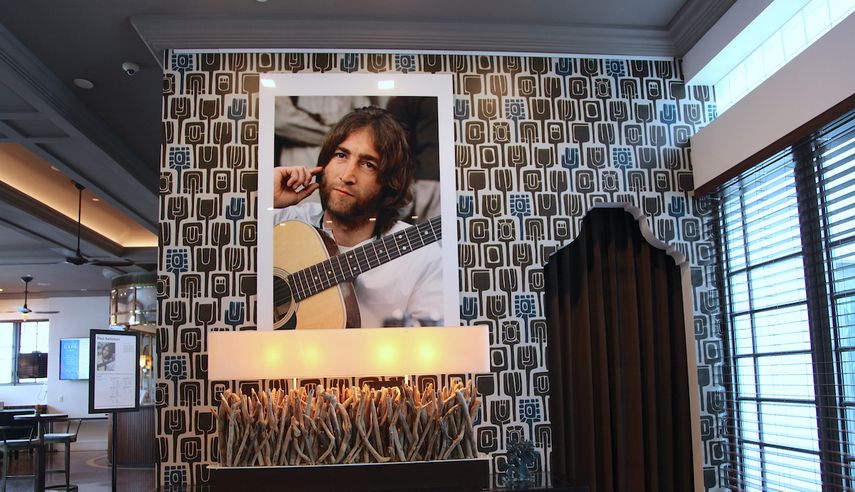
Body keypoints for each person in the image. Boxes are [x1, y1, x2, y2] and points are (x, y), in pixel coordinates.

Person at [273, 106, 443, 328]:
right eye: (341, 155)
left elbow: (435, 342)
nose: (347, 175)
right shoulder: (284, 225)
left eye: (368, 164)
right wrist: (267, 198)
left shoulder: (423, 257)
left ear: (390, 183)